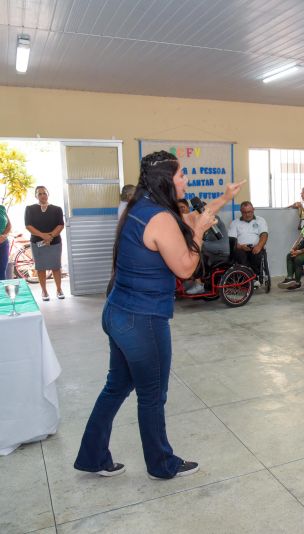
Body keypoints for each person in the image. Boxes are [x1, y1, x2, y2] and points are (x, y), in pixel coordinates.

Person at [74, 151, 243, 480]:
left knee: (116, 387)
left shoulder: (144, 207)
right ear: (166, 179)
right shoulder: (161, 218)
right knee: (152, 396)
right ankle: (161, 465)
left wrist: (224, 197)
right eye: (181, 175)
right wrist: (198, 234)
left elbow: (195, 218)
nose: (186, 180)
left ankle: (92, 455)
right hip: (142, 320)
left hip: (119, 313)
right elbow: (185, 268)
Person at [25, 186, 65, 301]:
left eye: (44, 193)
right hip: (37, 243)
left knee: (56, 267)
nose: (42, 195)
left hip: (55, 242)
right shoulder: (30, 209)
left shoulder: (57, 209)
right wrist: (43, 236)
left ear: (48, 194)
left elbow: (60, 225)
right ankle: (44, 291)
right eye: (40, 193)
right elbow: (28, 226)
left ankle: (59, 289)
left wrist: (50, 236)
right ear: (36, 196)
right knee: (40, 268)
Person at [228, 201, 268, 281]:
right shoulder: (235, 223)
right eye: (244, 212)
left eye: (249, 212)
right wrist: (241, 246)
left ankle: (255, 277)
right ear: (241, 211)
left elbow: (264, 235)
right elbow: (232, 241)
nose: (247, 215)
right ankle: (248, 277)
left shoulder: (260, 220)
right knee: (239, 255)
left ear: (253, 210)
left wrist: (259, 246)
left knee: (257, 255)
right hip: (241, 248)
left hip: (256, 247)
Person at [0, 202, 11, 280]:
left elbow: (9, 225)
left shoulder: (2, 208)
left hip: (3, 243)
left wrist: (4, 236)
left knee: (2, 270)